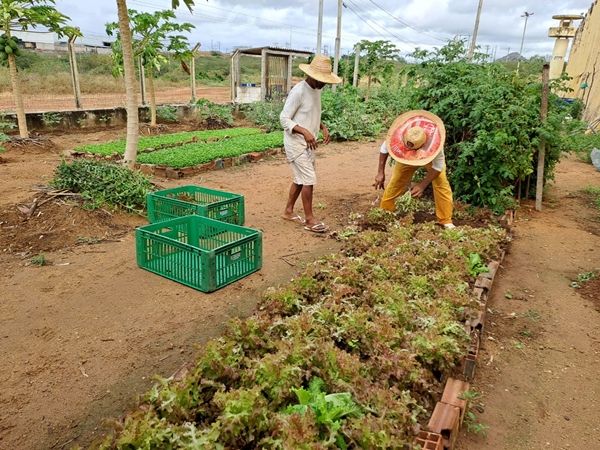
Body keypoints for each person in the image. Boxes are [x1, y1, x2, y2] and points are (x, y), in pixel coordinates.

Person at [279, 54, 342, 233]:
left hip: (308, 143)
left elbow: (310, 113)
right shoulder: (298, 91)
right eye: (322, 80)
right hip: (295, 143)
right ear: (312, 75)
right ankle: (309, 220)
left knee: (300, 179)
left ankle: (288, 211)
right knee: (308, 179)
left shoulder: (316, 90)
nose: (324, 84)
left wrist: (322, 126)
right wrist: (305, 131)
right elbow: (284, 119)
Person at [374, 110, 456, 229]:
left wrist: (422, 185)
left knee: (441, 183)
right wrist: (380, 172)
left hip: (429, 159)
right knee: (397, 181)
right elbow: (384, 148)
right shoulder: (401, 134)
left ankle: (445, 220)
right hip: (406, 157)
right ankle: (385, 213)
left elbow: (437, 167)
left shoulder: (434, 144)